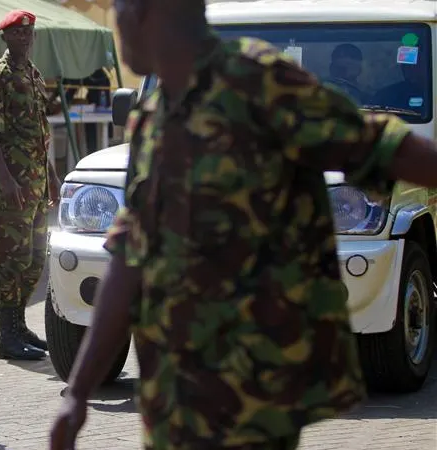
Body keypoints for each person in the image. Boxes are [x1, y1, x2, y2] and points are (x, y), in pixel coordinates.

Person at [50, 1, 437, 449]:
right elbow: (130, 254)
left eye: (118, 11)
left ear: (143, 13)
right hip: (174, 397)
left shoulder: (255, 81)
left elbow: (384, 146)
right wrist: (78, 392)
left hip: (254, 393)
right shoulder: (153, 116)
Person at [0, 9, 63, 361]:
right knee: (8, 260)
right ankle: (6, 335)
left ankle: (18, 325)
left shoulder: (33, 74)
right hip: (12, 184)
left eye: (28, 33)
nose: (24, 38)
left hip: (36, 183)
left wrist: (53, 176)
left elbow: (40, 134)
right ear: (5, 37)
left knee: (33, 259)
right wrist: (6, 178)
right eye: (16, 33)